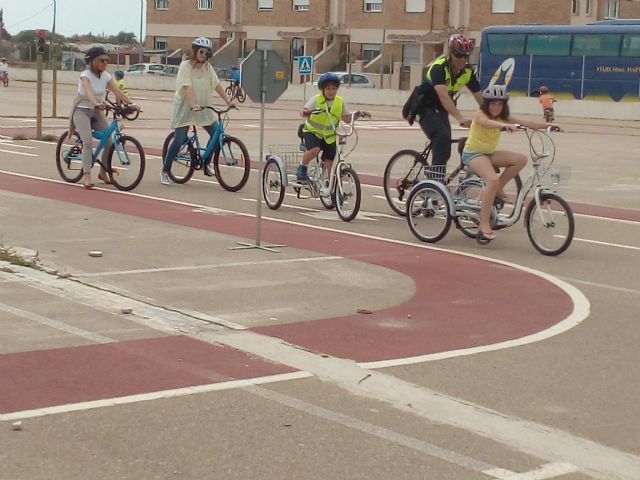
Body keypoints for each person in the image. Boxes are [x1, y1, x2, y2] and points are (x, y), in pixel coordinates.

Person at [461, 85, 556, 241]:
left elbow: (526, 122)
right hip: (473, 154)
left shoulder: (502, 117)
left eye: (500, 104)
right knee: (491, 180)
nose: (496, 107)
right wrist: (504, 125)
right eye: (493, 103)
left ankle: (498, 188)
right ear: (487, 104)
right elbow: (487, 123)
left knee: (520, 160)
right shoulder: (480, 115)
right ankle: (484, 224)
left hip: (489, 154)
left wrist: (549, 126)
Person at [161, 37, 235, 185]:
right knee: (179, 138)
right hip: (185, 108)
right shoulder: (185, 66)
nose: (204, 54)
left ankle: (206, 163)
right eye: (201, 51)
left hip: (204, 107)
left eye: (207, 52)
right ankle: (165, 171)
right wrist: (193, 105)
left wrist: (228, 100)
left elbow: (217, 84)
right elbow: (187, 86)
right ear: (195, 51)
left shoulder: (208, 67)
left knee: (216, 135)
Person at [412, 34, 484, 174]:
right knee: (442, 136)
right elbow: (444, 97)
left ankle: (436, 175)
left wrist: (495, 118)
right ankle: (434, 184)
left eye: (466, 55)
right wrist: (460, 118)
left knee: (445, 147)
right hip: (424, 107)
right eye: (458, 55)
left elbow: (480, 97)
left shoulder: (468, 71)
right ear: (450, 53)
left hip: (440, 109)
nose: (462, 59)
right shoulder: (439, 68)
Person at [69, 46, 138, 189]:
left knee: (109, 142)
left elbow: (118, 91)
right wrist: (96, 103)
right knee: (87, 142)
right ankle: (87, 175)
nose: (105, 63)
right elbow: (88, 92)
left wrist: (131, 104)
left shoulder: (106, 76)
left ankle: (103, 172)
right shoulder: (85, 75)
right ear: (92, 61)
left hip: (96, 112)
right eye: (101, 60)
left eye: (107, 60)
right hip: (82, 111)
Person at [296, 72, 365, 184]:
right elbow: (303, 111)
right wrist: (306, 112)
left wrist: (358, 114)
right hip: (313, 132)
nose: (331, 92)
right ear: (323, 89)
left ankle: (331, 184)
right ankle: (302, 168)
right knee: (314, 149)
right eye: (328, 89)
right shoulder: (316, 100)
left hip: (329, 136)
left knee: (330, 158)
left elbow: (347, 119)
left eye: (334, 88)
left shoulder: (339, 102)